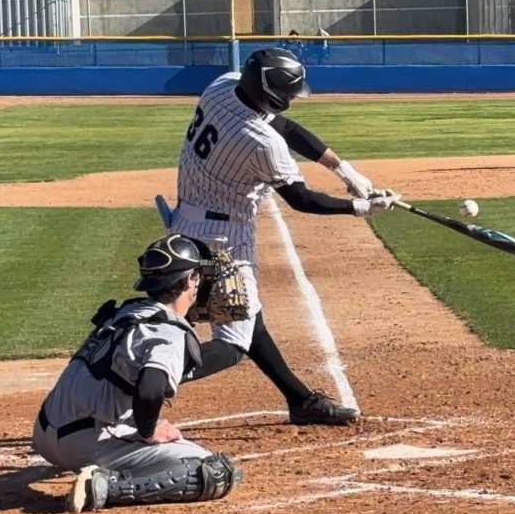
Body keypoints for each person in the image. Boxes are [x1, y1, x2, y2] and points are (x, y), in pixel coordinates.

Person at [167, 47, 400, 426]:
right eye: (288, 92)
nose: (292, 99)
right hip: (222, 241)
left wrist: (344, 170)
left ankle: (300, 400)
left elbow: (286, 128)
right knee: (232, 344)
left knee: (248, 316)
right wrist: (360, 208)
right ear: (269, 91)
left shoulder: (222, 86)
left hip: (187, 222)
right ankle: (136, 384)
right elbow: (302, 199)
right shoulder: (260, 143)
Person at [33, 234, 243, 513]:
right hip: (84, 443)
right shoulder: (168, 332)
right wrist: (148, 431)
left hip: (45, 430)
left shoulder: (127, 311)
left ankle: (106, 459)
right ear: (188, 280)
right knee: (215, 471)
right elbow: (150, 388)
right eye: (198, 276)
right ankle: (106, 486)